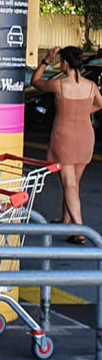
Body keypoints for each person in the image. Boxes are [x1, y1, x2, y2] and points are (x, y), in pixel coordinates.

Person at [32, 46, 102, 244]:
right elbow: (100, 103)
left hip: (65, 138)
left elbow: (34, 81)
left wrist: (46, 60)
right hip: (86, 136)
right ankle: (65, 219)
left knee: (69, 183)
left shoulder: (59, 85)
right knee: (73, 183)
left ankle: (79, 230)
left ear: (64, 63)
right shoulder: (90, 86)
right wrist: (84, 112)